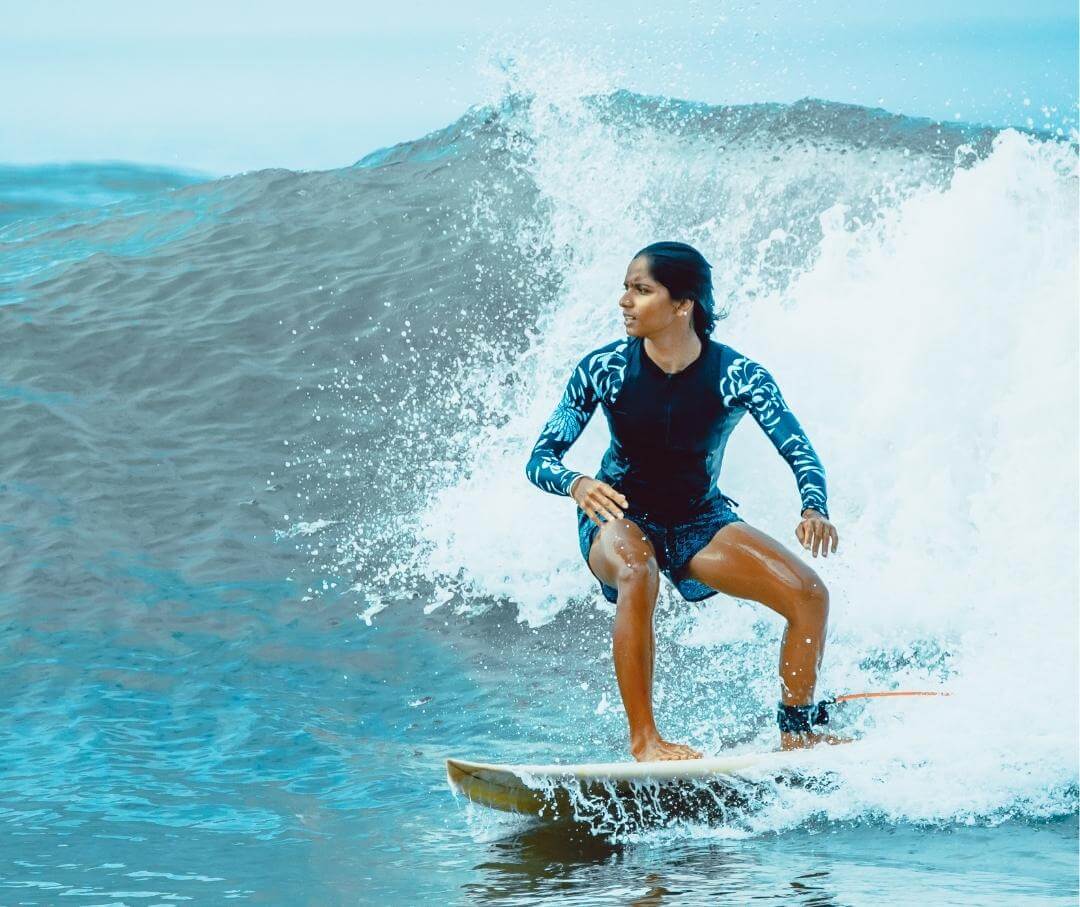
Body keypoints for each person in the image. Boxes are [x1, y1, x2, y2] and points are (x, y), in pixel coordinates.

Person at [525, 241, 841, 762]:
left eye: (641, 290)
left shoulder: (737, 375)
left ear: (682, 304)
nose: (624, 301)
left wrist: (813, 508)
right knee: (636, 567)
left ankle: (797, 729)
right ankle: (645, 740)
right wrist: (578, 484)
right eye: (626, 288)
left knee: (808, 594)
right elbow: (540, 458)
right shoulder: (604, 369)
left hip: (699, 519)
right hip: (619, 515)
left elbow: (800, 450)